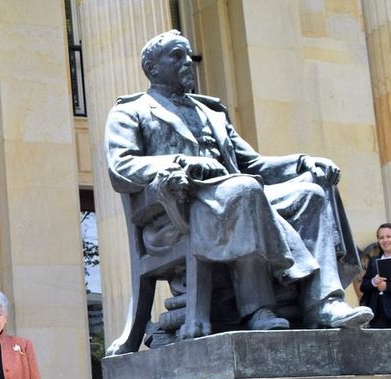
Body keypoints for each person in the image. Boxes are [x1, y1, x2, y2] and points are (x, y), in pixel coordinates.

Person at [105, 30, 373, 335]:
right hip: (180, 211)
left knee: (310, 193)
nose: (187, 62)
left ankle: (322, 303)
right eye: (177, 56)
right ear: (152, 68)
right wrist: (181, 162)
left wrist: (301, 162)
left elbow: (255, 164)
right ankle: (258, 309)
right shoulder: (130, 111)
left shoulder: (212, 113)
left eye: (189, 55)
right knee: (246, 190)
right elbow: (121, 166)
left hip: (237, 196)